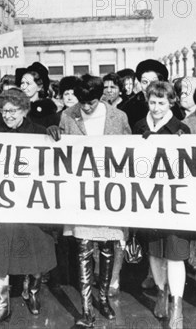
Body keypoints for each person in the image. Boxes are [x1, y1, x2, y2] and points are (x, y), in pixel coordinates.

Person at [51, 76, 131, 328]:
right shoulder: (67, 115)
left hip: (109, 194)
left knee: (107, 249)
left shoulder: (118, 117)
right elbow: (59, 151)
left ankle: (104, 297)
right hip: (80, 194)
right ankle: (86, 308)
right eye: (82, 102)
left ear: (103, 97)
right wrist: (52, 134)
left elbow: (131, 150)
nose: (86, 107)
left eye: (92, 102)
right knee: (84, 249)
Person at [0, 88, 57, 324]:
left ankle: (33, 293)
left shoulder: (39, 133)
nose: (8, 115)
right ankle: (3, 305)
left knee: (35, 249)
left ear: (24, 110)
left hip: (32, 204)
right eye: (4, 111)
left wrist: (54, 137)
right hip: (4, 204)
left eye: (13, 111)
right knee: (2, 253)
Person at [133, 81, 191, 329]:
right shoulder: (139, 127)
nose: (156, 107)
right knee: (155, 252)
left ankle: (177, 305)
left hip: (175, 201)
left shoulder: (181, 129)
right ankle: (161, 293)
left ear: (171, 102)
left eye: (161, 102)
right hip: (149, 200)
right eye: (152, 102)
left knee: (175, 255)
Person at [120, 59, 170, 129]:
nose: (149, 86)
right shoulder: (129, 107)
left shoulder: (171, 105)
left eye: (153, 82)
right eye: (145, 82)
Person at [15, 62, 59, 128]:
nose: (23, 87)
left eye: (28, 83)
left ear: (39, 87)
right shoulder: (13, 106)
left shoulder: (47, 110)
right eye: (22, 83)